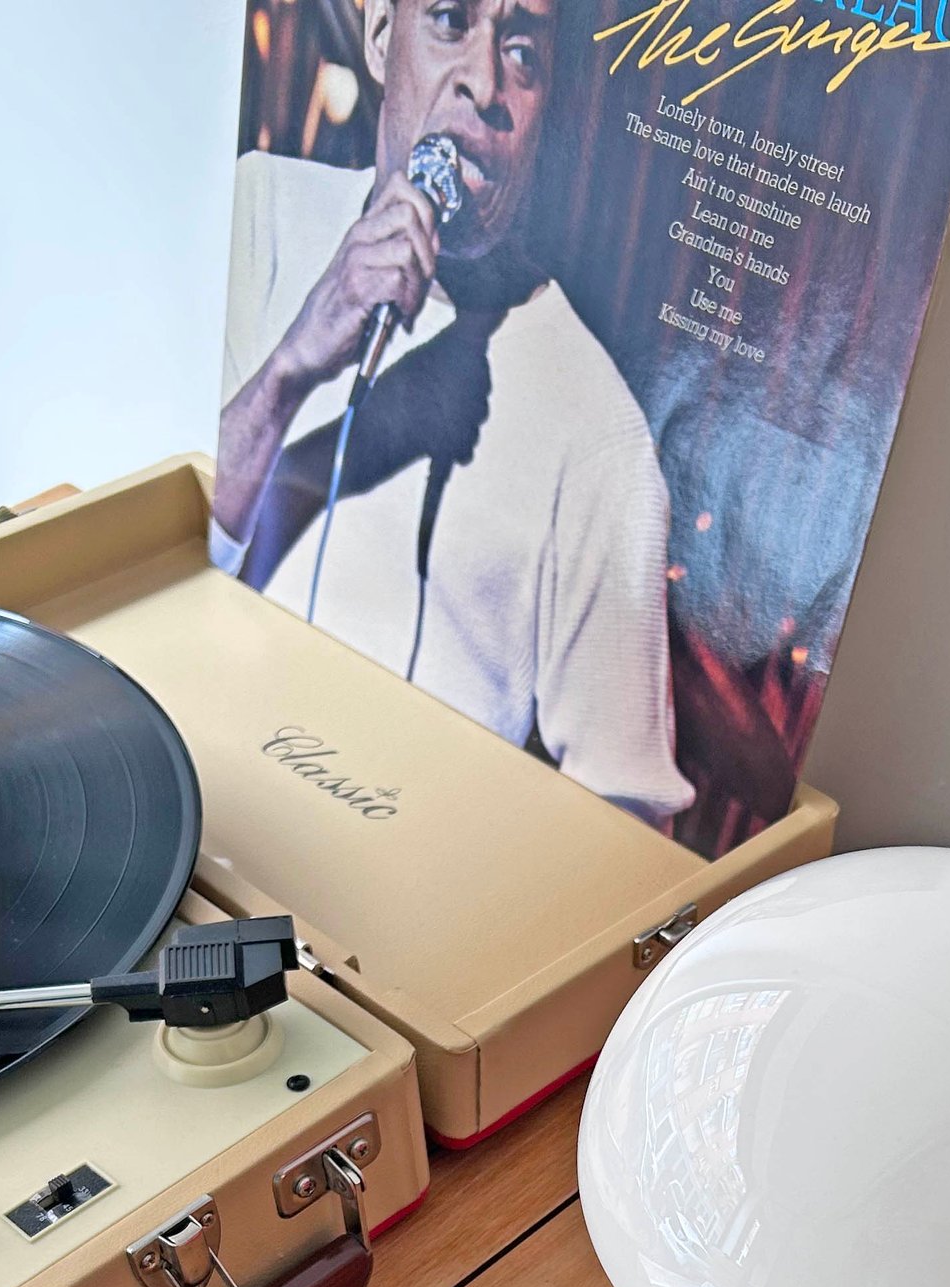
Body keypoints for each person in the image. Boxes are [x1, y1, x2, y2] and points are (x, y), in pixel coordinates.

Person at [213, 0, 692, 828]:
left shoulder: (600, 434)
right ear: (378, 38)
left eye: (522, 53)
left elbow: (627, 827)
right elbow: (136, 548)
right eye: (448, 20)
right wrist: (291, 368)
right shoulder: (258, 213)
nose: (485, 84)